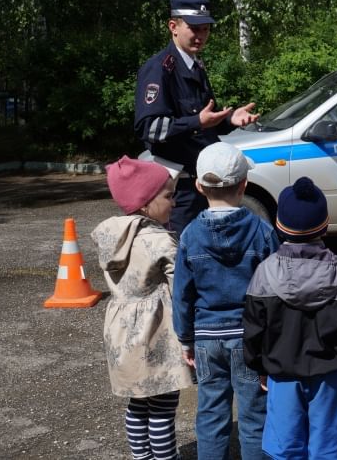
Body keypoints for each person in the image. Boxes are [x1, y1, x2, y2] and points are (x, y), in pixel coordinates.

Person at [243, 177, 337, 460]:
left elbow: (253, 328)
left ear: (279, 224)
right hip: (329, 374)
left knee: (285, 447)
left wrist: (258, 365)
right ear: (325, 225)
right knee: (329, 447)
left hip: (282, 373)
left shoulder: (265, 272)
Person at [172, 142, 278, 460]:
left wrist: (185, 337)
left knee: (211, 416)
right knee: (254, 417)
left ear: (198, 187)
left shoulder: (190, 234)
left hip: (206, 337)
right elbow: (273, 292)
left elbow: (182, 293)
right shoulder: (262, 231)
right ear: (244, 184)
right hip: (249, 338)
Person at [91, 156, 194, 460]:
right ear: (146, 203)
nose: (174, 203)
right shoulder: (160, 241)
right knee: (163, 404)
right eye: (168, 195)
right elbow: (183, 290)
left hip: (120, 331)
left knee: (137, 403)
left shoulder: (111, 236)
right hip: (155, 332)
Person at [134, 0, 259, 234]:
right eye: (194, 29)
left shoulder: (195, 65)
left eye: (205, 29)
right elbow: (148, 127)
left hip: (202, 184)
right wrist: (196, 122)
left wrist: (229, 119)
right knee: (182, 258)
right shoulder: (159, 69)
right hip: (178, 190)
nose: (200, 36)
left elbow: (206, 120)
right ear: (174, 27)